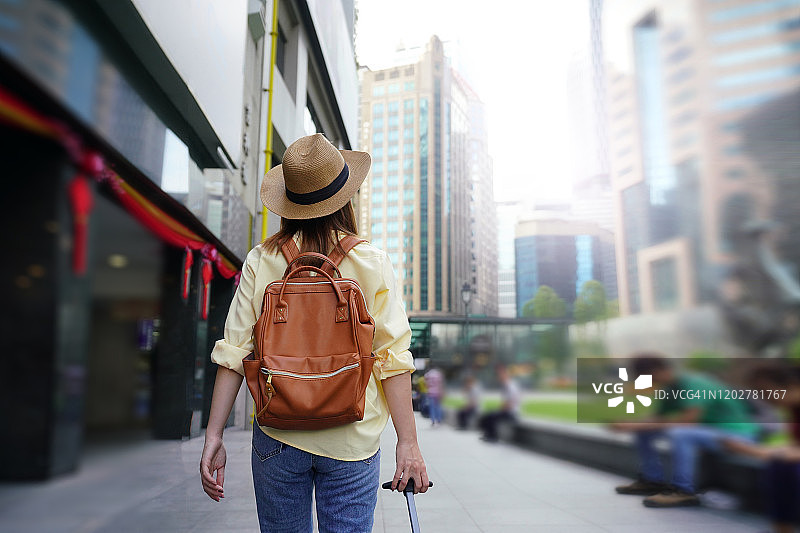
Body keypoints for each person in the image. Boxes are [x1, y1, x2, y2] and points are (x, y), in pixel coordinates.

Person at [199, 134, 429, 533]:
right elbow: (394, 359)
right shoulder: (371, 261)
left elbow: (234, 352)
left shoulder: (262, 258)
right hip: (352, 438)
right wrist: (407, 442)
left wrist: (213, 434)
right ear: (345, 198)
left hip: (278, 434)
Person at [611, 353, 759, 508]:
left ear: (656, 371)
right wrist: (633, 424)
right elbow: (656, 419)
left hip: (737, 436)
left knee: (680, 434)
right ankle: (652, 480)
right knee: (645, 432)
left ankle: (684, 491)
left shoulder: (694, 384)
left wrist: (638, 425)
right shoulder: (671, 388)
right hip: (711, 433)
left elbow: (688, 421)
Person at [722, 364, 800, 533]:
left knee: (789, 467)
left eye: (767, 391)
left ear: (793, 385)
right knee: (777, 466)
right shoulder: (793, 410)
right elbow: (794, 447)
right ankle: (782, 528)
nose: (766, 399)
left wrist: (751, 451)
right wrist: (747, 448)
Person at [479, 364, 520, 442]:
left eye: (500, 375)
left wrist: (500, 409)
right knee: (486, 415)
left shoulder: (511, 386)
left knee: (491, 416)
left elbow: (511, 403)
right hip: (506, 411)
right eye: (498, 375)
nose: (498, 377)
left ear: (505, 374)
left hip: (511, 412)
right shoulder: (505, 385)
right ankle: (488, 434)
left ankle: (493, 437)